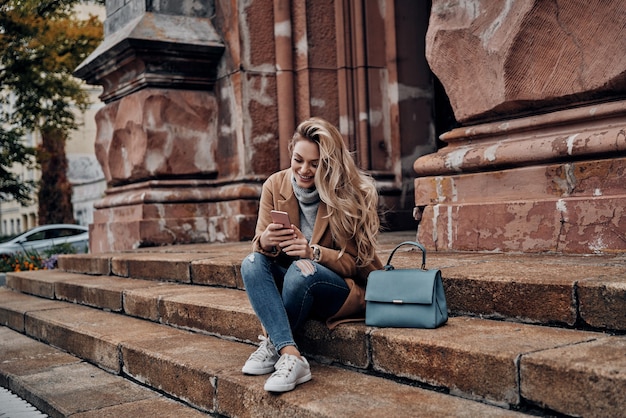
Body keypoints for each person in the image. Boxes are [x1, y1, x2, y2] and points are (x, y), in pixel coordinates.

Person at [240, 117, 383, 392]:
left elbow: (355, 263)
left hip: (330, 286)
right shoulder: (274, 184)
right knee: (251, 262)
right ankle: (290, 354)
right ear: (291, 152)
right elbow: (259, 245)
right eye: (298, 160)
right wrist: (267, 242)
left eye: (315, 164)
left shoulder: (346, 194)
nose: (304, 170)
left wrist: (313, 252)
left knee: (301, 268)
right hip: (290, 284)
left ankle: (273, 344)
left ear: (329, 163)